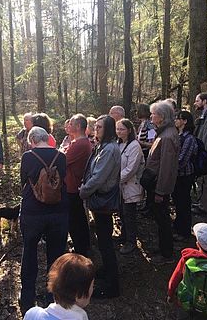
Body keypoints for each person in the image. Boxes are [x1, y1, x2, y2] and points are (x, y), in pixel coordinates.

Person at [19, 127, 68, 315]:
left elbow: (23, 180)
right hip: (58, 210)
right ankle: (53, 298)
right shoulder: (61, 156)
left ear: (32, 140)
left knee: (29, 252)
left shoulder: (28, 157)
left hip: (33, 211)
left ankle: (27, 300)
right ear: (48, 138)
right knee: (56, 255)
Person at [79, 115, 121, 298]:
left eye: (100, 127)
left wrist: (83, 191)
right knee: (104, 239)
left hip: (102, 199)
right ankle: (107, 270)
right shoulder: (103, 146)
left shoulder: (110, 149)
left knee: (105, 241)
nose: (96, 130)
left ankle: (113, 286)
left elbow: (99, 177)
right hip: (98, 199)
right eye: (95, 127)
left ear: (109, 129)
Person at [146, 101, 179, 264]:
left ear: (162, 117)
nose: (151, 116)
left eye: (154, 114)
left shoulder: (167, 136)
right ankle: (163, 247)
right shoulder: (164, 132)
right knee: (160, 218)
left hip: (160, 186)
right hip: (156, 183)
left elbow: (167, 167)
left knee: (163, 219)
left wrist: (160, 191)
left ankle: (167, 254)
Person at [24, 253, 95, 320]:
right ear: (79, 295)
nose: (93, 289)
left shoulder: (32, 314)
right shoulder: (81, 317)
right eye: (92, 286)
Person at [167, 223, 207, 319]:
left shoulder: (188, 258)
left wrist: (170, 295)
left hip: (186, 300)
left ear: (197, 244)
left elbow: (174, 279)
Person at [65, 114, 92, 257]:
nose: (68, 126)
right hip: (73, 185)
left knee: (75, 220)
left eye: (71, 124)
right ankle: (83, 245)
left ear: (78, 126)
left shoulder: (80, 144)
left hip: (73, 187)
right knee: (78, 217)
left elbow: (62, 160)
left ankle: (81, 249)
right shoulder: (77, 142)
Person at [116, 119, 145, 254]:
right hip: (120, 187)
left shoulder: (134, 146)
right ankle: (124, 236)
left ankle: (131, 241)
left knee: (129, 215)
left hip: (131, 187)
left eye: (122, 129)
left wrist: (113, 180)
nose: (119, 131)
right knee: (122, 213)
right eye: (117, 129)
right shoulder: (119, 144)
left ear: (129, 130)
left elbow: (131, 169)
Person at [172, 111, 198, 241]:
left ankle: (184, 232)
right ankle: (178, 226)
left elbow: (182, 160)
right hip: (176, 176)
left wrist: (171, 168)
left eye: (178, 118)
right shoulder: (178, 135)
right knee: (177, 202)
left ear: (185, 121)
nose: (176, 120)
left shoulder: (189, 139)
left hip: (184, 176)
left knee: (184, 203)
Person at [192, 93, 207, 215]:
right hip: (203, 152)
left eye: (197, 100)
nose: (195, 103)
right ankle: (204, 203)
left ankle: (205, 206)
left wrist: (206, 154)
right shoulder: (204, 114)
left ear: (204, 101)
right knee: (202, 179)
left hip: (206, 154)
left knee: (205, 178)